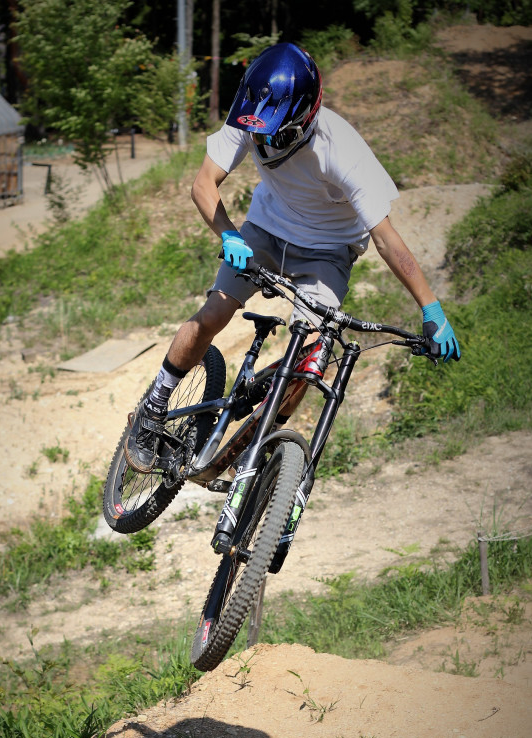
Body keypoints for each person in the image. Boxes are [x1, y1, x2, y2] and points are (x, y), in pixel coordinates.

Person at [125, 41, 460, 473]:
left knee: (312, 353)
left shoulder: (344, 152)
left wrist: (430, 306)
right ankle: (154, 407)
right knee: (213, 314)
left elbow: (387, 239)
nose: (261, 140)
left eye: (273, 133)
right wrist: (229, 234)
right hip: (265, 229)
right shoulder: (252, 111)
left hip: (328, 251)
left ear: (303, 119)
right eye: (256, 131)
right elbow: (203, 184)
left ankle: (261, 439)